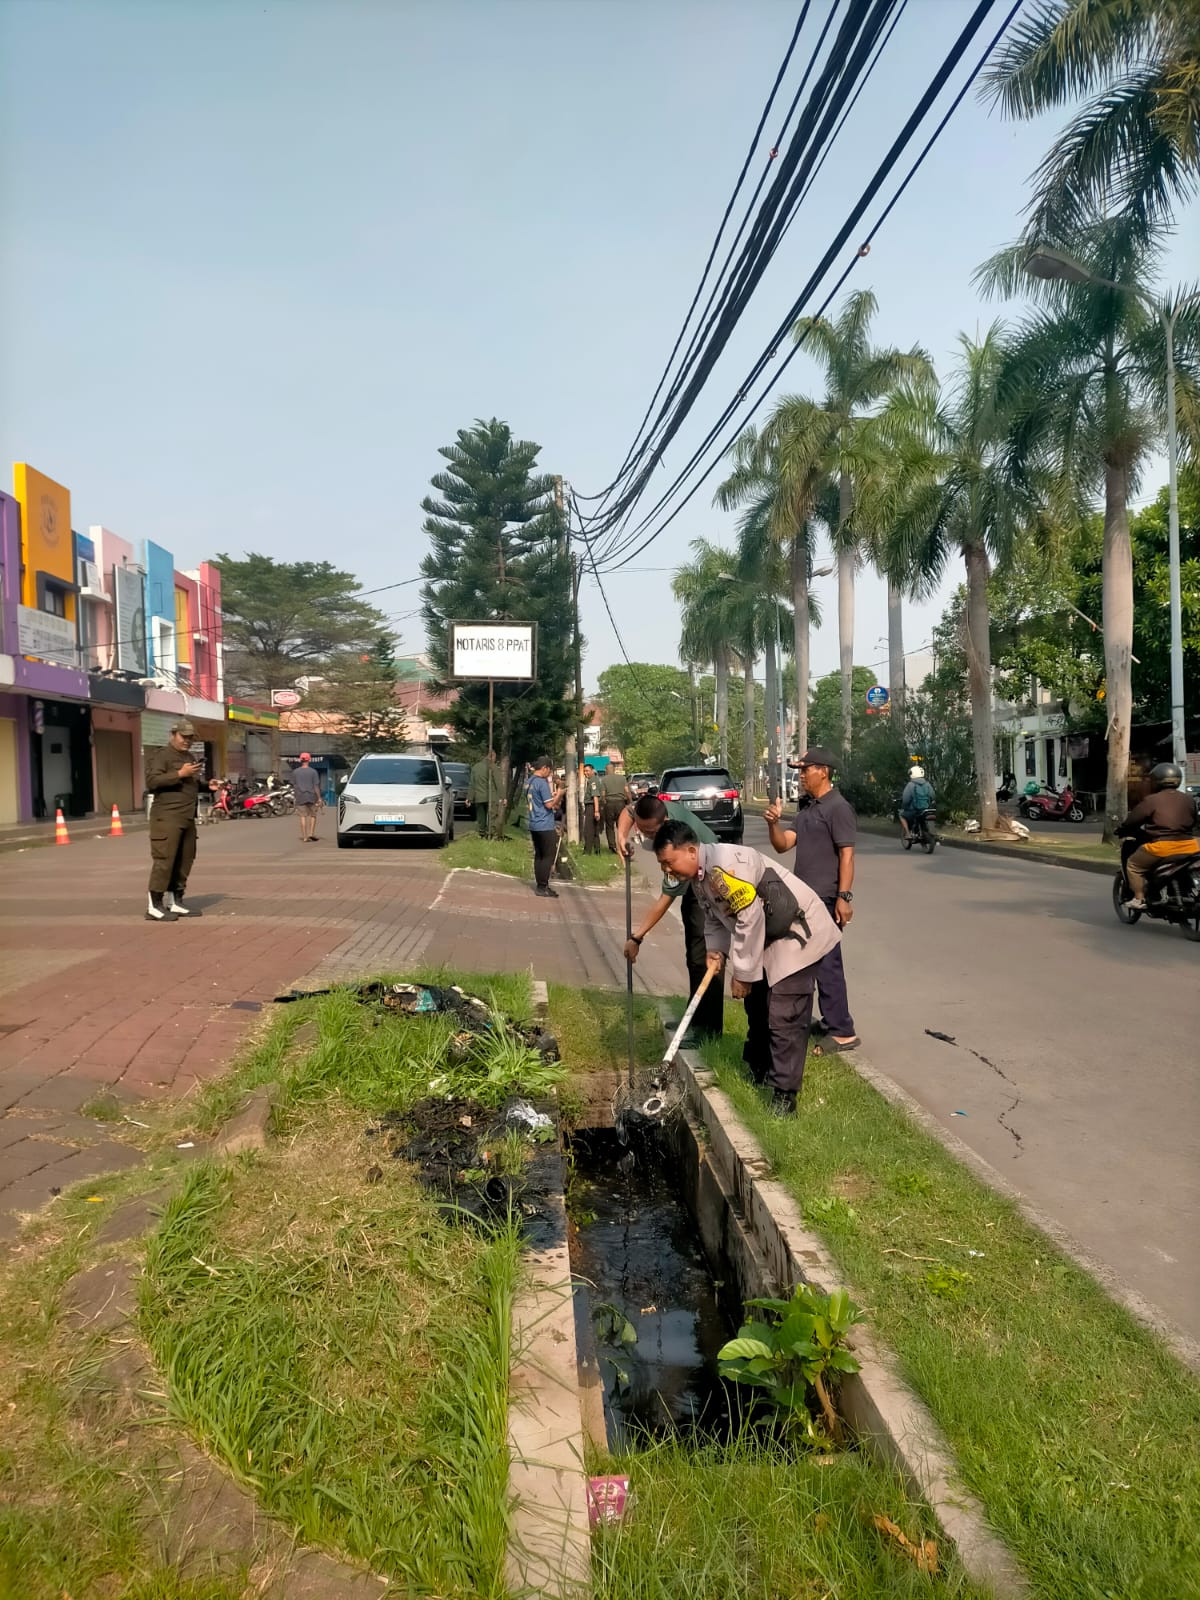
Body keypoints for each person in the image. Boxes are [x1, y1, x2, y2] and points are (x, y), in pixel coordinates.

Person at [652, 820, 839, 1114]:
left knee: (784, 1013)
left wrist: (742, 973)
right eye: (663, 864)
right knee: (757, 1007)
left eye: (669, 862)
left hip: (796, 933)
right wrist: (716, 950)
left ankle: (784, 1095)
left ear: (690, 850)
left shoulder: (724, 867)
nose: (667, 870)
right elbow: (714, 916)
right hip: (767, 937)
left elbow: (749, 918)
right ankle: (759, 1069)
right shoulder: (699, 878)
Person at [764, 747, 859, 1052]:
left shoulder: (838, 808)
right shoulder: (808, 809)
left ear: (824, 771)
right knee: (813, 963)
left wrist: (843, 898)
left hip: (826, 897)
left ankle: (843, 1030)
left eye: (805, 769)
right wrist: (772, 823)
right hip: (803, 898)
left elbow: (847, 855)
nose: (801, 774)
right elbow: (783, 845)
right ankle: (832, 1021)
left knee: (828, 963)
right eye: (799, 769)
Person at [618, 793, 726, 1041]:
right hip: (693, 882)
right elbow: (628, 811)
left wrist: (637, 938)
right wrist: (621, 837)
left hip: (711, 883)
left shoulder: (674, 844)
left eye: (650, 832)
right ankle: (695, 1017)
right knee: (693, 955)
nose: (645, 835)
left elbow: (664, 900)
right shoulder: (653, 808)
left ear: (664, 821)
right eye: (641, 830)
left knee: (705, 956)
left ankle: (709, 1031)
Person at [1116, 762, 1199, 909]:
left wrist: (1123, 829)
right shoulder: (1189, 799)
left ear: (1156, 781)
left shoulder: (1152, 800)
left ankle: (1139, 898)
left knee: (1134, 865)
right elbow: (1194, 822)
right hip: (1190, 846)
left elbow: (1133, 820)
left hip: (1162, 847)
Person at [144, 719, 204, 921]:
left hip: (187, 817)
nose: (187, 740)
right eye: (183, 736)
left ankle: (175, 901)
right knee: (165, 861)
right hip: (167, 816)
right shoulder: (162, 755)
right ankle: (155, 905)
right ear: (173, 735)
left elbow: (192, 783)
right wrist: (180, 773)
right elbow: (152, 782)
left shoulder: (189, 756)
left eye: (190, 737)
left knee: (184, 859)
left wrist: (209, 785)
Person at [527, 756, 565, 898]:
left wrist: (552, 796)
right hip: (544, 823)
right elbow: (549, 805)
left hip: (533, 823)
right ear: (544, 768)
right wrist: (560, 794)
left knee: (539, 855)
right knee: (548, 856)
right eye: (549, 771)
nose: (549, 774)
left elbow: (541, 799)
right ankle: (543, 886)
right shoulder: (541, 783)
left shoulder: (529, 781)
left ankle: (540, 884)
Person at [470, 750, 506, 838]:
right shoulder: (492, 767)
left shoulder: (475, 767)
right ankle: (492, 834)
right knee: (492, 816)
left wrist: (469, 798)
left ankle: (481, 833)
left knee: (481, 817)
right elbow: (498, 783)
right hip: (491, 797)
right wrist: (503, 797)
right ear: (492, 757)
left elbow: (472, 784)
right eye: (495, 758)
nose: (495, 760)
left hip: (479, 797)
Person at [291, 752, 323, 842]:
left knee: (302, 816)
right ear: (309, 759)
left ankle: (305, 837)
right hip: (312, 796)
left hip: (300, 796)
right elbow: (316, 786)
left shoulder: (295, 772)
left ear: (301, 760)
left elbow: (294, 785)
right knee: (313, 815)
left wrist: (296, 795)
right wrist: (319, 798)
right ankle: (311, 834)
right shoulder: (313, 772)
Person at [599, 758, 629, 852]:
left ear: (606, 770)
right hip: (621, 803)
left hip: (609, 804)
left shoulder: (604, 779)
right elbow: (627, 791)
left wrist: (603, 803)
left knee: (609, 826)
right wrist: (629, 802)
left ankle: (612, 846)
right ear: (614, 770)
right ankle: (622, 844)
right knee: (621, 825)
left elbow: (603, 794)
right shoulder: (622, 778)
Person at [899, 765, 935, 841]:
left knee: (901, 815)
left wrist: (904, 806)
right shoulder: (927, 784)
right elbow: (933, 796)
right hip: (926, 810)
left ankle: (908, 834)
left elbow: (906, 799)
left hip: (914, 810)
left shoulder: (910, 785)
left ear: (913, 773)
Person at [582, 765, 604, 854]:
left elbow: (595, 796)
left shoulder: (593, 781)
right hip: (594, 806)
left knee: (589, 830)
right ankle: (597, 850)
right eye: (584, 771)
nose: (585, 773)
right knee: (595, 830)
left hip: (592, 807)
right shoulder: (594, 780)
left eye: (587, 771)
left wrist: (596, 811)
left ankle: (587, 851)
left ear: (592, 771)